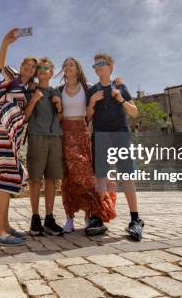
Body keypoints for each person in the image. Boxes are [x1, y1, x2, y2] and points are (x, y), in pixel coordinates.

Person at [86, 53, 144, 241]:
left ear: (111, 66)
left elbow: (135, 113)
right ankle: (98, 217)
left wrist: (120, 99)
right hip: (100, 133)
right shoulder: (92, 90)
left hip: (120, 132)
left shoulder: (120, 87)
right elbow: (87, 117)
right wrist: (93, 101)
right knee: (100, 176)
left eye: (101, 63)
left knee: (126, 175)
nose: (97, 67)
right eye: (95, 65)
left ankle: (135, 220)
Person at [58, 58, 117, 236]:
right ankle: (69, 218)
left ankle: (89, 214)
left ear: (77, 69)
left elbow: (104, 94)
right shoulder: (59, 90)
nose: (68, 68)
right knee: (68, 177)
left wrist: (117, 84)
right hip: (65, 134)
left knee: (85, 174)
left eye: (71, 65)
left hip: (82, 133)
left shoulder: (88, 87)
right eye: (66, 65)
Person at [0, 28, 37, 246]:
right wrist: (5, 42)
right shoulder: (13, 77)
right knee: (8, 174)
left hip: (15, 131)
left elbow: (25, 118)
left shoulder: (29, 89)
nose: (28, 67)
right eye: (27, 64)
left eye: (32, 66)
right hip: (2, 126)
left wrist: (34, 100)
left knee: (10, 173)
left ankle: (5, 225)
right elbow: (0, 63)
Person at [24, 57, 64, 236]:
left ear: (51, 72)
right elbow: (24, 117)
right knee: (35, 179)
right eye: (39, 67)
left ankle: (49, 218)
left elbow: (61, 118)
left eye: (46, 67)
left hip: (55, 137)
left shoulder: (57, 92)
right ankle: (35, 219)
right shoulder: (30, 90)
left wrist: (59, 106)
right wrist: (33, 99)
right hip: (36, 137)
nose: (42, 69)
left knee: (51, 179)